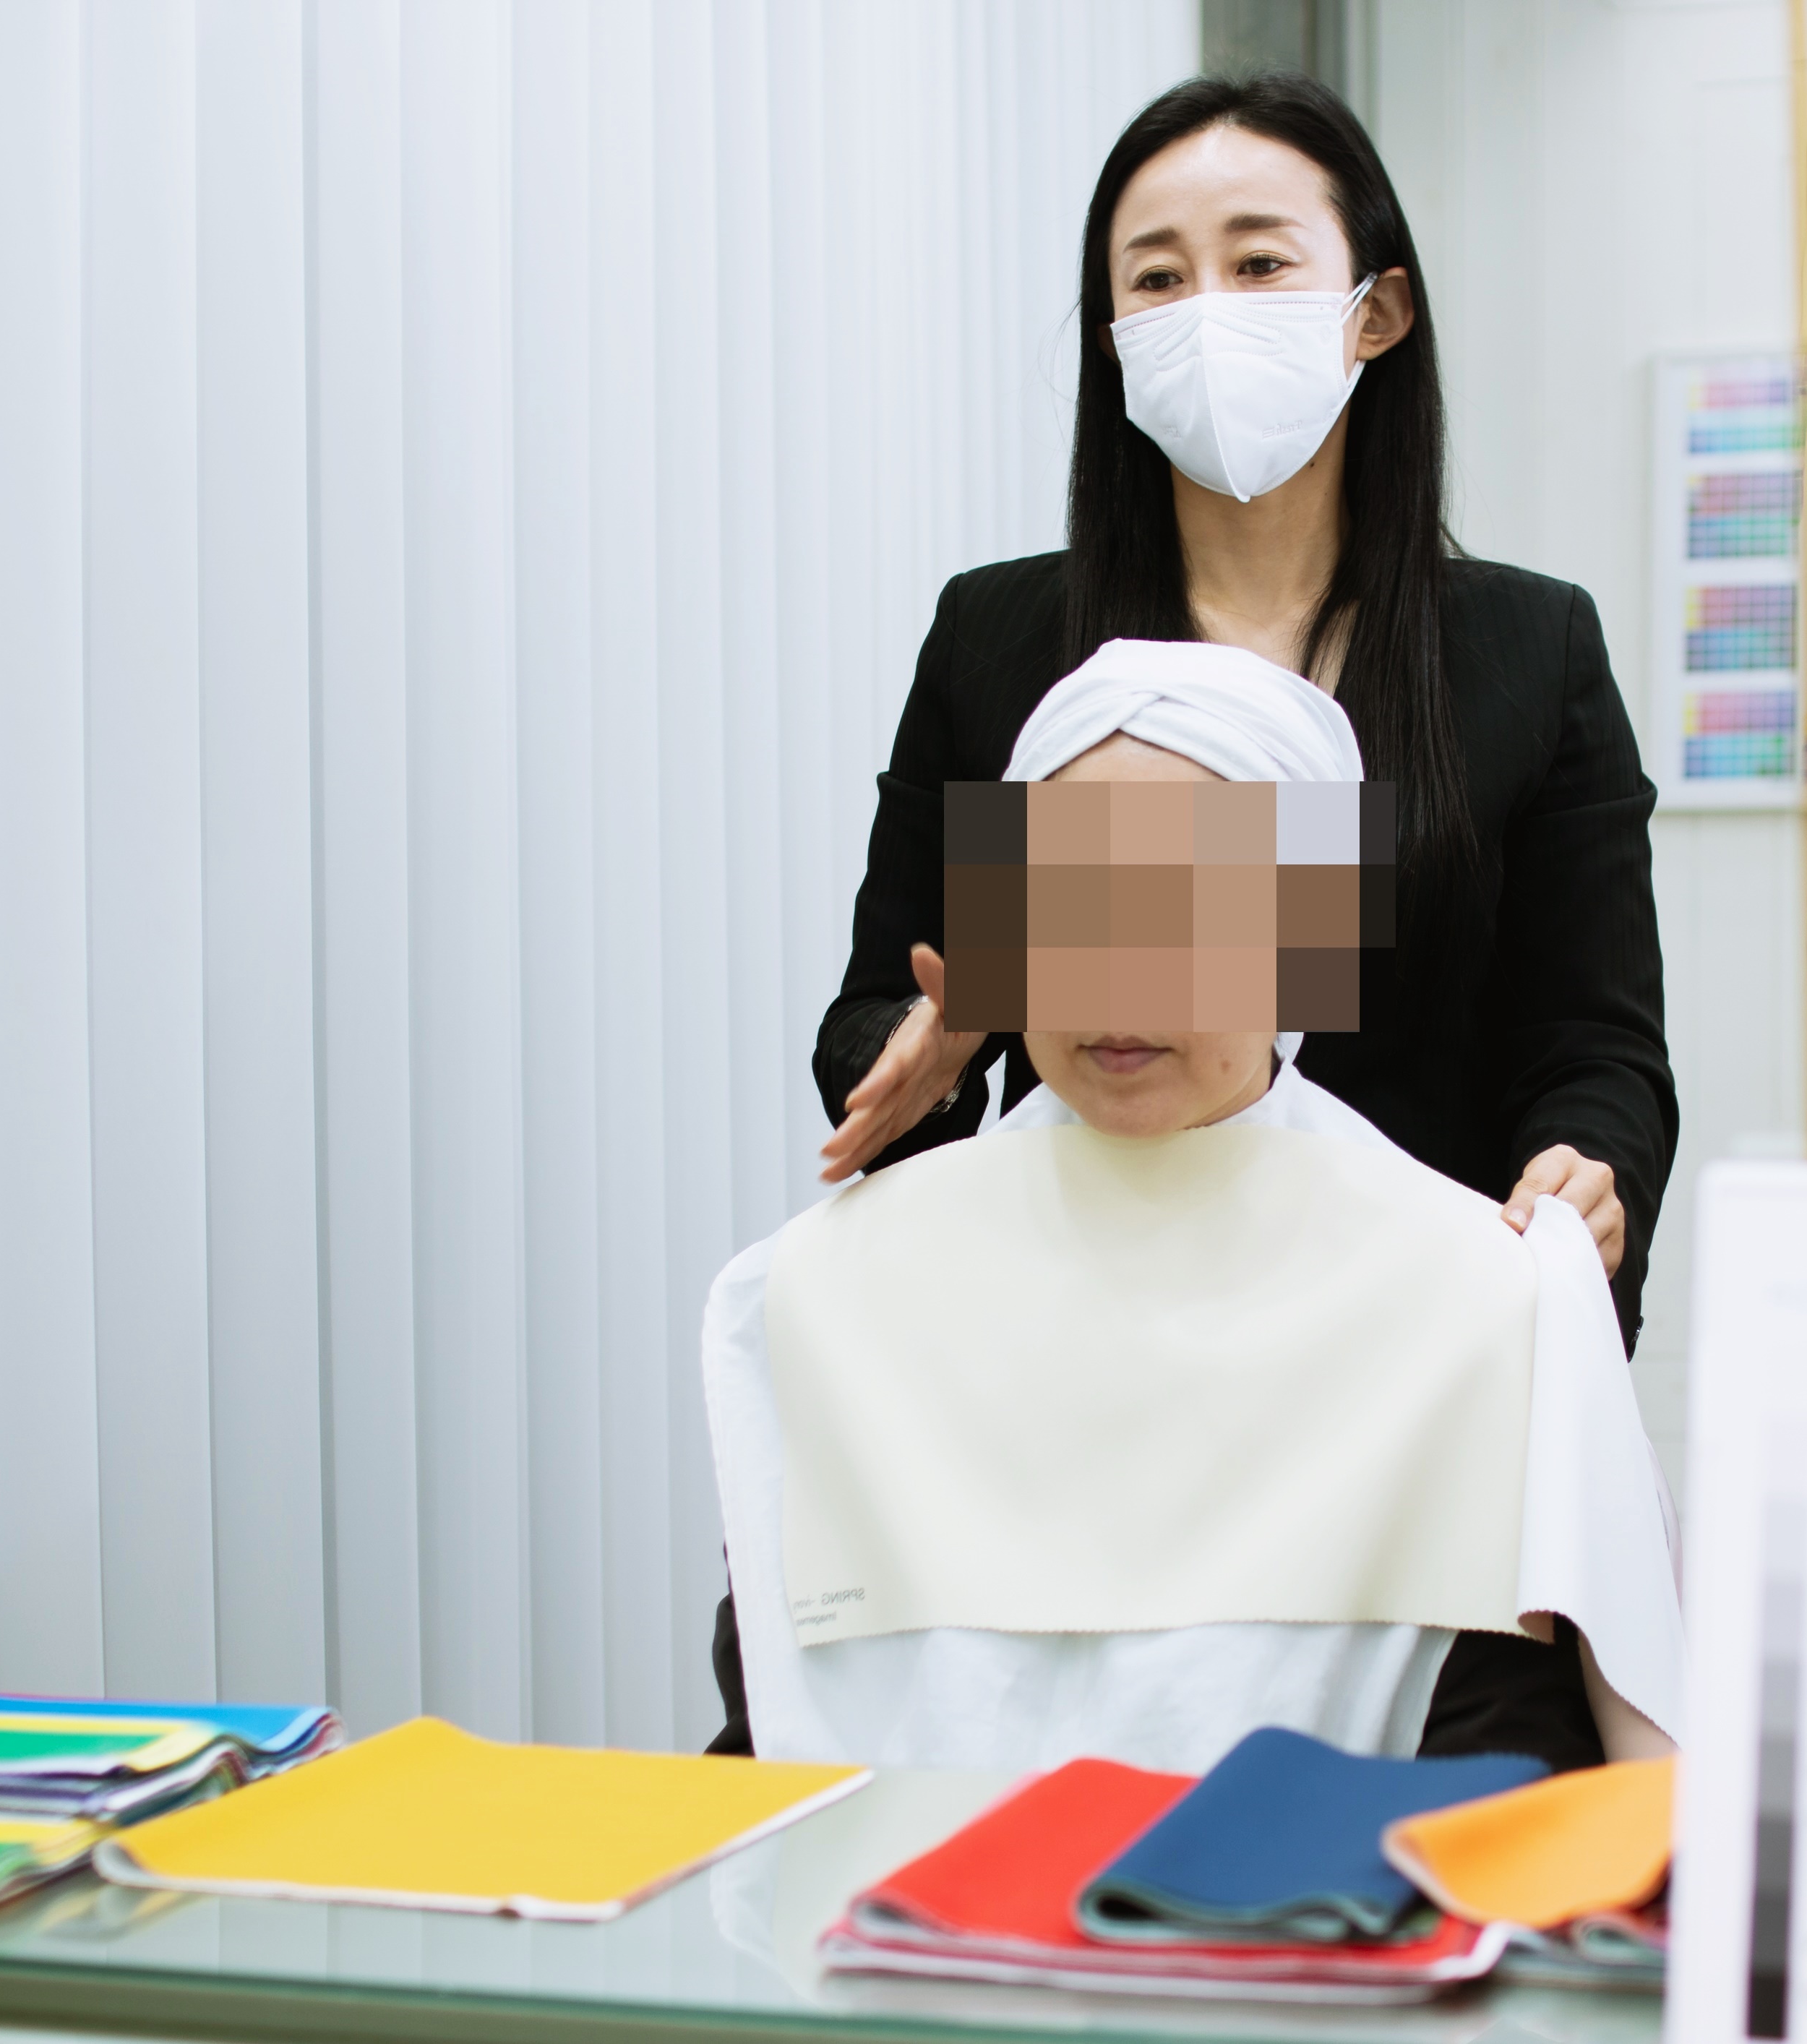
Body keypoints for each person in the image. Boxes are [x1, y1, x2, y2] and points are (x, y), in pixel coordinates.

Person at [773, 71, 1677, 1768]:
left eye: (1260, 264)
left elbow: (1596, 1044)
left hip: (1392, 1391)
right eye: (1157, 276)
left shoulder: (1521, 652)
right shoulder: (1006, 643)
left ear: (1375, 310)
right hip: (1077, 1387)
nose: (1206, 308)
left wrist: (1582, 1177)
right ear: (1113, 335)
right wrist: (946, 1034)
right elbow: (890, 1023)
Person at [703, 643, 1680, 1775]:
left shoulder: (1474, 1295)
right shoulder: (830, 1291)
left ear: (1307, 925)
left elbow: (1506, 1753)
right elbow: (776, 1730)